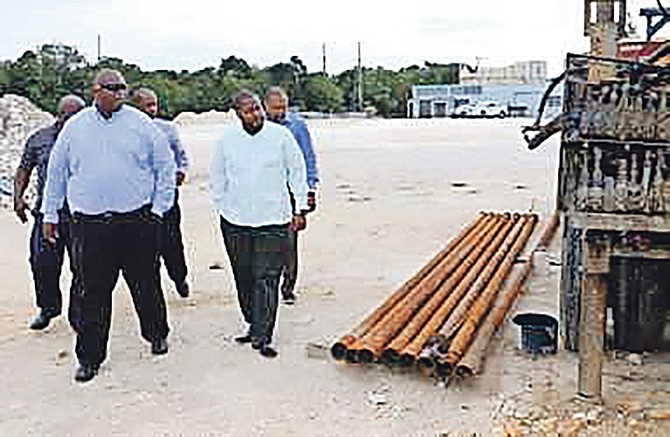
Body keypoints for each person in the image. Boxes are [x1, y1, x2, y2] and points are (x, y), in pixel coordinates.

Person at [41, 69, 176, 382]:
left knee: (145, 283)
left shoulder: (141, 124)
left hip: (137, 222)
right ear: (96, 90)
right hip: (90, 226)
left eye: (123, 88)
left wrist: (158, 211)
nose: (120, 93)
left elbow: (165, 166)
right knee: (92, 292)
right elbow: (57, 174)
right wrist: (50, 214)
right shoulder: (76, 127)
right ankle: (90, 358)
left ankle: (156, 333)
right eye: (113, 88)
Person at [210, 90, 309, 358]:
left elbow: (297, 172)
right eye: (248, 110)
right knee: (244, 276)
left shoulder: (281, 137)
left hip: (274, 220)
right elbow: (217, 177)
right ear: (237, 114)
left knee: (266, 277)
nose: (255, 114)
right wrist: (222, 205)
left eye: (257, 109)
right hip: (236, 221)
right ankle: (252, 324)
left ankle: (263, 336)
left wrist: (299, 207)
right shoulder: (226, 141)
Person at [13, 95, 85, 330]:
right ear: (59, 116)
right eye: (68, 117)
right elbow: (24, 169)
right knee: (41, 264)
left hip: (80, 216)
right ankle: (48, 307)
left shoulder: (89, 139)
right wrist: (18, 197)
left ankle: (79, 314)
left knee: (82, 267)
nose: (72, 122)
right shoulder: (39, 139)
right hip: (46, 214)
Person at [131, 87, 190, 298]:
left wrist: (181, 171)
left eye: (154, 104)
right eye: (148, 105)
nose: (153, 109)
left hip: (166, 196)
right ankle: (151, 287)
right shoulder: (128, 130)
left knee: (172, 240)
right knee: (145, 246)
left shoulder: (167, 129)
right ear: (135, 107)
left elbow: (180, 155)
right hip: (140, 199)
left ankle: (179, 276)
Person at [264, 86, 319, 305]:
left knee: (289, 241)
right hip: (265, 191)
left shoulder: (297, 126)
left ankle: (288, 287)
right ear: (265, 105)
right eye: (276, 108)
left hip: (291, 190)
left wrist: (310, 189)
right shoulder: (258, 127)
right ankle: (268, 285)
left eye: (284, 107)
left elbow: (308, 158)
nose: (281, 112)